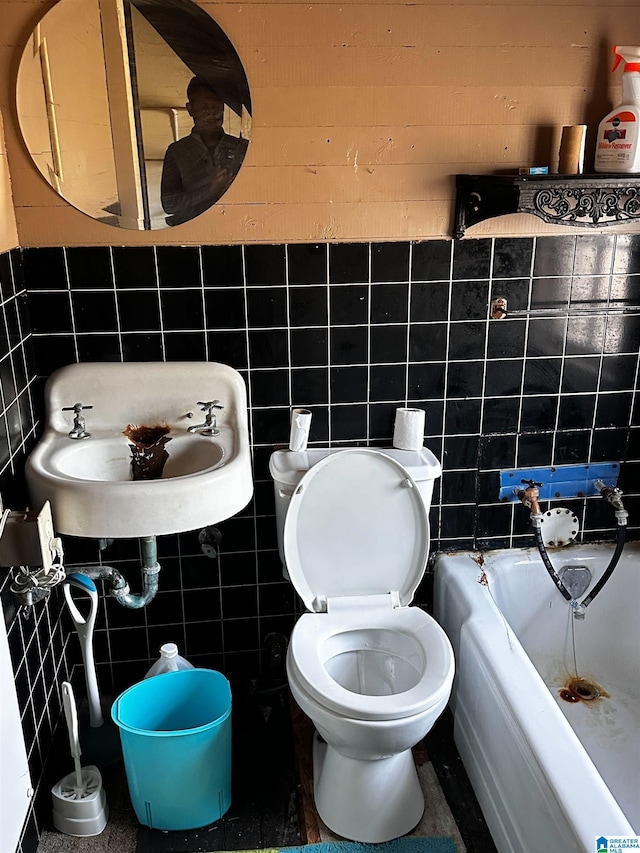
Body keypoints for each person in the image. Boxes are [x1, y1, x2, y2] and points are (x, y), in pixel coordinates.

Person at [160, 77, 248, 226]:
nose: (212, 114)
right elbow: (169, 205)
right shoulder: (176, 152)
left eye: (216, 107)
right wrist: (210, 189)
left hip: (237, 225)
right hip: (192, 232)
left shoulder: (242, 148)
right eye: (204, 108)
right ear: (190, 110)